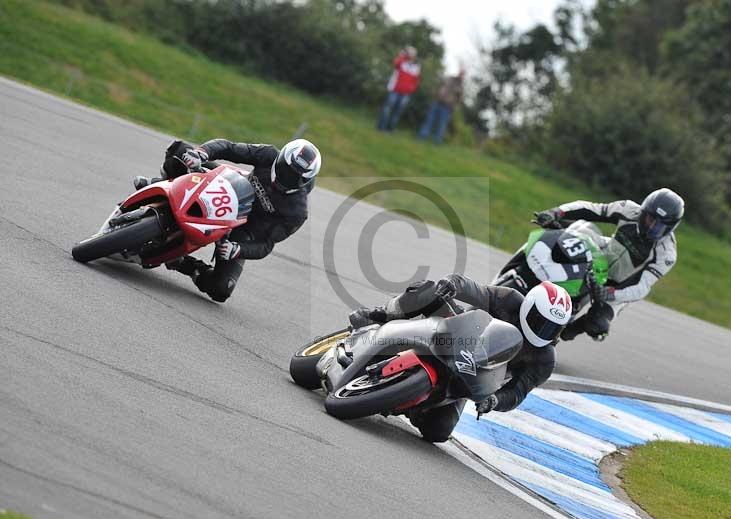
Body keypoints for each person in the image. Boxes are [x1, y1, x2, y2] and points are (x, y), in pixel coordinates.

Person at [348, 274, 571, 442]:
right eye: (540, 322)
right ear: (528, 306)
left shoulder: (544, 359)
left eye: (553, 329)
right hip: (457, 334)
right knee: (430, 291)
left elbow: (517, 392)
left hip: (471, 375)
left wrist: (494, 400)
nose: (544, 332)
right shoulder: (510, 300)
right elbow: (473, 290)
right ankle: (380, 314)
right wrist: (452, 284)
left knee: (439, 431)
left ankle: (413, 403)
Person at [132, 138, 321, 303]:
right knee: (179, 151)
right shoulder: (268, 154)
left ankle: (183, 263)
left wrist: (238, 249)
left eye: (294, 177)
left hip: (244, 228)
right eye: (286, 170)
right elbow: (228, 147)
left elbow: (266, 244)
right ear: (281, 159)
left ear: (305, 181)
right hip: (232, 189)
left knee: (221, 288)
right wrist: (201, 153)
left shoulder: (297, 212)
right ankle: (159, 185)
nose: (286, 178)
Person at [535, 188, 684, 340]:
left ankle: (570, 330)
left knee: (597, 325)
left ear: (671, 227)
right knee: (566, 244)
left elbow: (642, 287)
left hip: (620, 286)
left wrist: (611, 293)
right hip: (600, 258)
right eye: (650, 219)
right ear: (643, 211)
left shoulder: (666, 254)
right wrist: (556, 212)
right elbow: (590, 208)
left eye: (659, 225)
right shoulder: (628, 209)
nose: (652, 227)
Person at [377, 46, 421, 131]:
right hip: (394, 90)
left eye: (412, 54)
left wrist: (411, 89)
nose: (411, 55)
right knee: (387, 109)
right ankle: (381, 127)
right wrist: (402, 55)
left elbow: (416, 81)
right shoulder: (401, 62)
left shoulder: (416, 67)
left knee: (397, 112)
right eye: (409, 53)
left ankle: (390, 129)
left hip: (405, 94)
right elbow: (396, 63)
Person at [418, 69, 464, 143]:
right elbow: (439, 85)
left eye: (462, 74)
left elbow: (459, 100)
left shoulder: (460, 87)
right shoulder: (449, 79)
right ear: (458, 73)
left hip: (447, 107)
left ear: (463, 76)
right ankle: (422, 137)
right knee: (429, 120)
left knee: (441, 125)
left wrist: (453, 107)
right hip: (437, 102)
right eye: (460, 73)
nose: (460, 75)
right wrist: (435, 94)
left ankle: (437, 141)